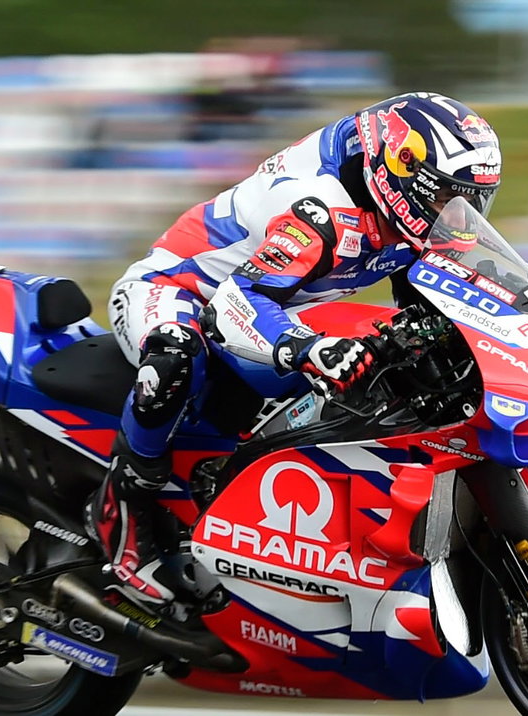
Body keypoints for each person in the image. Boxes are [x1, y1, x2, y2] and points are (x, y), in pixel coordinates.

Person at [89, 92, 503, 603]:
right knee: (176, 356)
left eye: (473, 201)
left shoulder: (403, 204)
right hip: (180, 292)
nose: (459, 215)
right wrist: (308, 349)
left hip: (275, 304)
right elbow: (236, 302)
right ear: (403, 169)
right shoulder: (320, 210)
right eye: (447, 198)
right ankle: (123, 504)